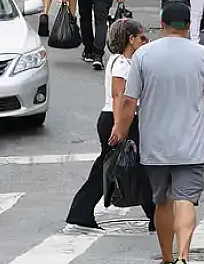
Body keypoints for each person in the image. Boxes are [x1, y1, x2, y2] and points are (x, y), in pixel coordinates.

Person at [110, 0, 204, 264]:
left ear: (162, 23)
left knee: (162, 202)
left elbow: (129, 100)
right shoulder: (201, 54)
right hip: (189, 145)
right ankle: (183, 255)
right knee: (186, 199)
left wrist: (121, 129)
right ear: (189, 24)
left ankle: (166, 257)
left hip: (155, 146)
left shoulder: (143, 55)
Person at [65, 19, 156, 232]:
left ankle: (81, 211)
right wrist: (119, 126)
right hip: (119, 119)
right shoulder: (122, 64)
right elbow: (119, 96)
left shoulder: (124, 60)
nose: (146, 41)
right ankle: (155, 216)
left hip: (119, 119)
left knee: (116, 167)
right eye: (142, 38)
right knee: (133, 167)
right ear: (131, 39)